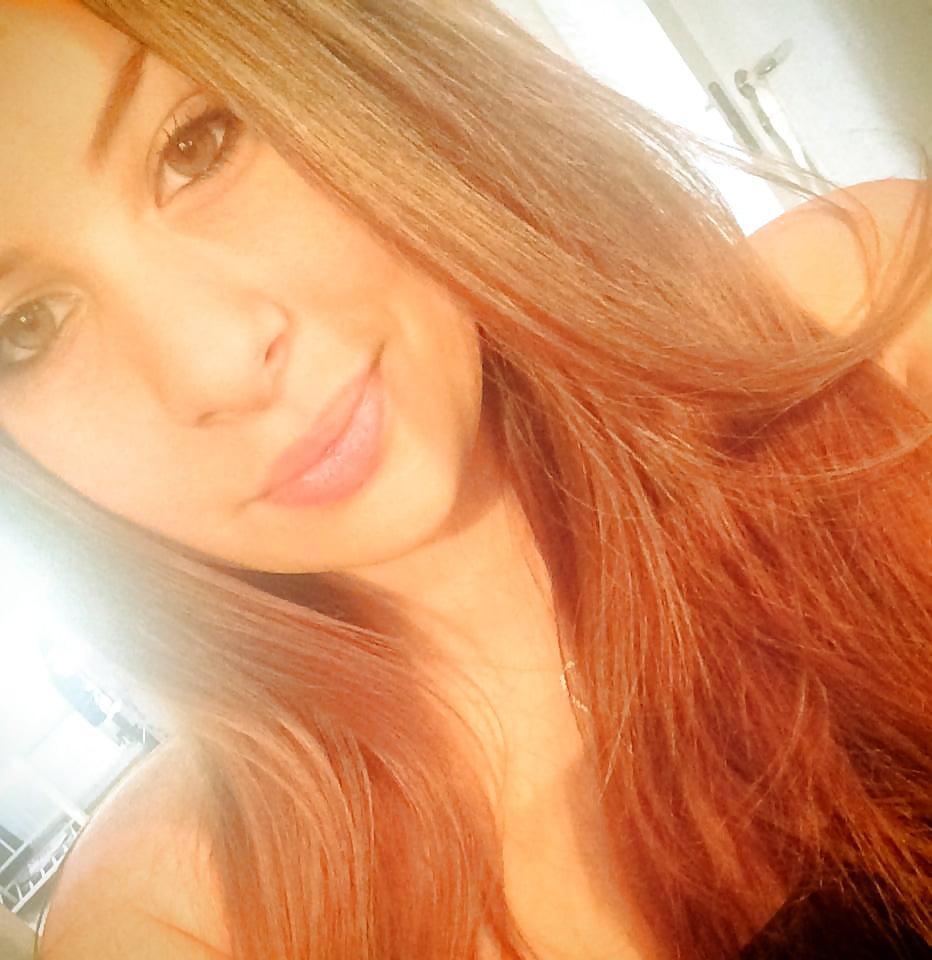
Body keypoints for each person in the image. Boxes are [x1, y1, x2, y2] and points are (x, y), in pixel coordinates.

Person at [0, 2, 928, 958]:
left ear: (358, 70)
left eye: (196, 145)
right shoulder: (173, 925)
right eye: (27, 326)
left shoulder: (870, 330)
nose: (218, 366)